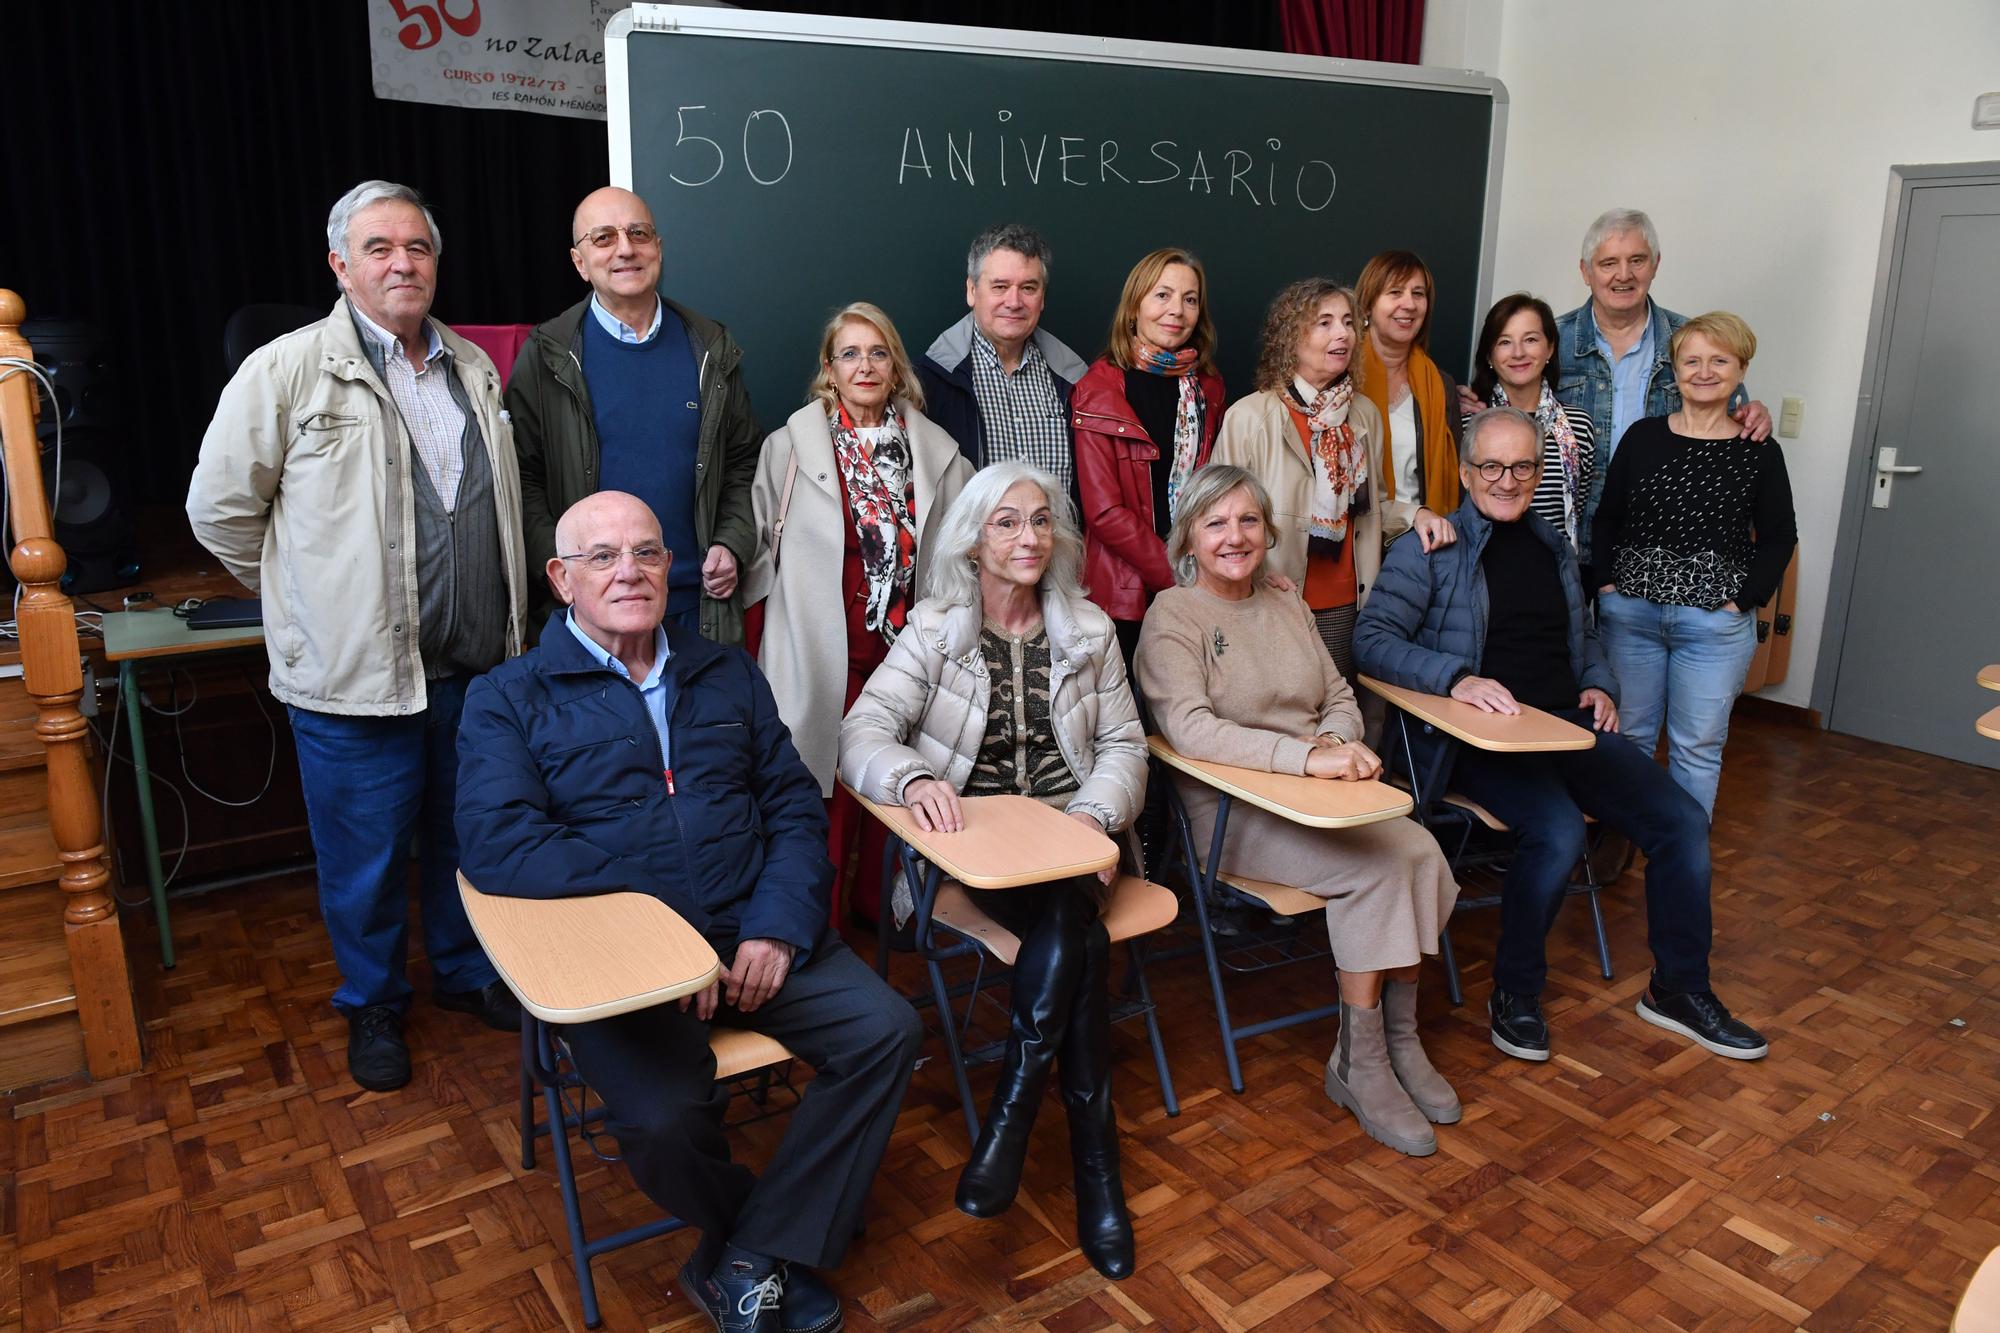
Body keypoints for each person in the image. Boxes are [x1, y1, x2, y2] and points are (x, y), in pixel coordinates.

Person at [457, 490, 921, 1333]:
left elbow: (790, 803)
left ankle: (747, 1257)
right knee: (665, 1119)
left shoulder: (725, 670)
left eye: (645, 551)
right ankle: (762, 1234)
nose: (628, 570)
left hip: (756, 931)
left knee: (886, 1030)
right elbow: (498, 844)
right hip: (625, 964)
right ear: (562, 578)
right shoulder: (508, 696)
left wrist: (777, 926)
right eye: (602, 556)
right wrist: (663, 948)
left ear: (670, 568)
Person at [186, 179, 527, 1093]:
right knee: (365, 861)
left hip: (474, 671)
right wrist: (304, 600)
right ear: (340, 265)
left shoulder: (472, 367)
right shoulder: (287, 370)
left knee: (464, 841)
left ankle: (463, 975)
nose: (402, 263)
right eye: (378, 248)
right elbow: (217, 513)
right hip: (355, 680)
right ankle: (374, 1003)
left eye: (416, 247)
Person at [1354, 407, 1771, 1066]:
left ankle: (1679, 990)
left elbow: (1584, 639)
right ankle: (1516, 994)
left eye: (1522, 465)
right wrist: (1457, 678)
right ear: (1465, 473)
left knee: (1682, 820)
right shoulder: (1431, 547)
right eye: (1491, 465)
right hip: (1478, 742)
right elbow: (1370, 641)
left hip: (1566, 729)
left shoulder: (1553, 547)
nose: (1507, 479)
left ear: (1539, 471)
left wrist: (1600, 683)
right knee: (1558, 831)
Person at [838, 462, 1148, 1280]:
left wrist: (1092, 818)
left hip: (1075, 840)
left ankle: (1014, 1123)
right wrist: (912, 778)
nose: (1028, 537)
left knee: (1067, 910)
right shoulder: (936, 629)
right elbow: (860, 733)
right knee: (1073, 935)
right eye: (1007, 522)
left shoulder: (1089, 630)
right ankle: (1095, 1167)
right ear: (974, 540)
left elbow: (1125, 748)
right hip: (975, 852)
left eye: (1041, 521)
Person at [1135, 464, 1460, 1157]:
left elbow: (1337, 693)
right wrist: (1305, 759)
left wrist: (1337, 741)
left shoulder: (1286, 600)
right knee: (1376, 872)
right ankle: (1359, 1062)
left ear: (1267, 531)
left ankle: (1398, 1040)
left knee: (1421, 851)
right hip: (1236, 813)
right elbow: (1191, 730)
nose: (1234, 536)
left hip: (1321, 797)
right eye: (1215, 522)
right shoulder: (1174, 615)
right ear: (1189, 534)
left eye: (1248, 520)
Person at [743, 302, 972, 923]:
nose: (864, 365)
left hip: (903, 651)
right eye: (850, 353)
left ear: (895, 367)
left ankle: (882, 911)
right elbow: (760, 548)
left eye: (878, 353)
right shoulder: (788, 447)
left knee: (898, 779)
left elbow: (961, 557)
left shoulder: (939, 454)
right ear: (829, 368)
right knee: (818, 790)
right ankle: (819, 922)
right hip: (819, 646)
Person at [506, 185, 760, 645]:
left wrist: (732, 543)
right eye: (603, 238)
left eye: (638, 233)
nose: (626, 249)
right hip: (587, 616)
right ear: (579, 262)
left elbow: (744, 461)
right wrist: (562, 570)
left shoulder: (711, 346)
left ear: (658, 248)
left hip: (695, 607)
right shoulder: (546, 356)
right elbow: (521, 477)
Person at [1592, 312, 1797, 819]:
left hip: (1713, 628)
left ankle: (1678, 859)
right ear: (1675, 370)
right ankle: (1621, 843)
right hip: (1631, 619)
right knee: (1629, 739)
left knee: (1696, 750)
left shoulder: (1758, 451)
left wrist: (1742, 600)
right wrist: (1606, 586)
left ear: (1741, 368)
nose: (1704, 371)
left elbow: (1779, 537)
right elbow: (1607, 518)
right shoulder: (1642, 437)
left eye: (1719, 360)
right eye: (1692, 360)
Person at [1533, 208, 1772, 569]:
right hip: (1566, 538)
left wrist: (1753, 416)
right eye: (1608, 262)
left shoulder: (1692, 341)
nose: (1623, 275)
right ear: (1585, 271)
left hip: (1662, 543)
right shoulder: (1550, 341)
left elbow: (1731, 423)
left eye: (1637, 260)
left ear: (1656, 264)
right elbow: (1507, 413)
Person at [1213, 279, 1392, 679]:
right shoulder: (1249, 417)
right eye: (1324, 323)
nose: (1342, 333)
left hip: (1349, 604)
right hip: (1272, 600)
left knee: (1334, 722)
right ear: (1291, 338)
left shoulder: (1365, 415)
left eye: (1348, 322)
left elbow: (1376, 508)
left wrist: (1421, 516)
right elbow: (1217, 521)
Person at [1073, 247, 1226, 663]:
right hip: (1123, 590)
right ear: (1134, 307)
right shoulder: (1098, 389)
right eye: (1162, 295)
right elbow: (1103, 512)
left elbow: (1212, 489)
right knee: (1123, 721)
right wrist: (1175, 575)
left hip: (1197, 579)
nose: (1176, 310)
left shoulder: (1208, 390)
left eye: (1190, 299)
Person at [916, 222, 1090, 493]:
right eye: (1000, 286)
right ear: (972, 291)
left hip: (1060, 536)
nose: (1014, 302)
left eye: (1028, 288)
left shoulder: (1076, 381)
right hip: (973, 537)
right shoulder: (930, 383)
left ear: (1042, 297)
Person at [1467, 293, 1597, 555]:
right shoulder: (1468, 424)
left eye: (1530, 339)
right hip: (1480, 570)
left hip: (1555, 571)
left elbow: (1577, 511)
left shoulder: (1578, 426)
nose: (1518, 353)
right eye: (1505, 342)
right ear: (1490, 355)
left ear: (1549, 348)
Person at [1354, 250, 1464, 554]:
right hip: (1355, 550)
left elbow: (1459, 479)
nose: (1409, 304)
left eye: (1418, 293)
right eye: (1395, 292)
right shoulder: (1341, 379)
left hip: (1422, 549)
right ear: (1367, 305)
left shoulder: (1440, 386)